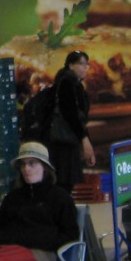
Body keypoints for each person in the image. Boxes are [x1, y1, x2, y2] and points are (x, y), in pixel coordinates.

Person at [0, 142, 81, 261]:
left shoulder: (60, 198)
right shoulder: (12, 198)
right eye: (23, 164)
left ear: (44, 167)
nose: (26, 168)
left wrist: (31, 238)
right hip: (11, 253)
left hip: (44, 255)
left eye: (32, 163)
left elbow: (70, 235)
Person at [45, 50, 95, 186]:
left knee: (65, 184)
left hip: (68, 140)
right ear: (71, 65)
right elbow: (71, 114)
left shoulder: (74, 84)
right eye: (81, 64)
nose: (85, 67)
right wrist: (84, 140)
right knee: (64, 184)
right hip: (63, 143)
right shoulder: (67, 83)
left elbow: (79, 117)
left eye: (87, 64)